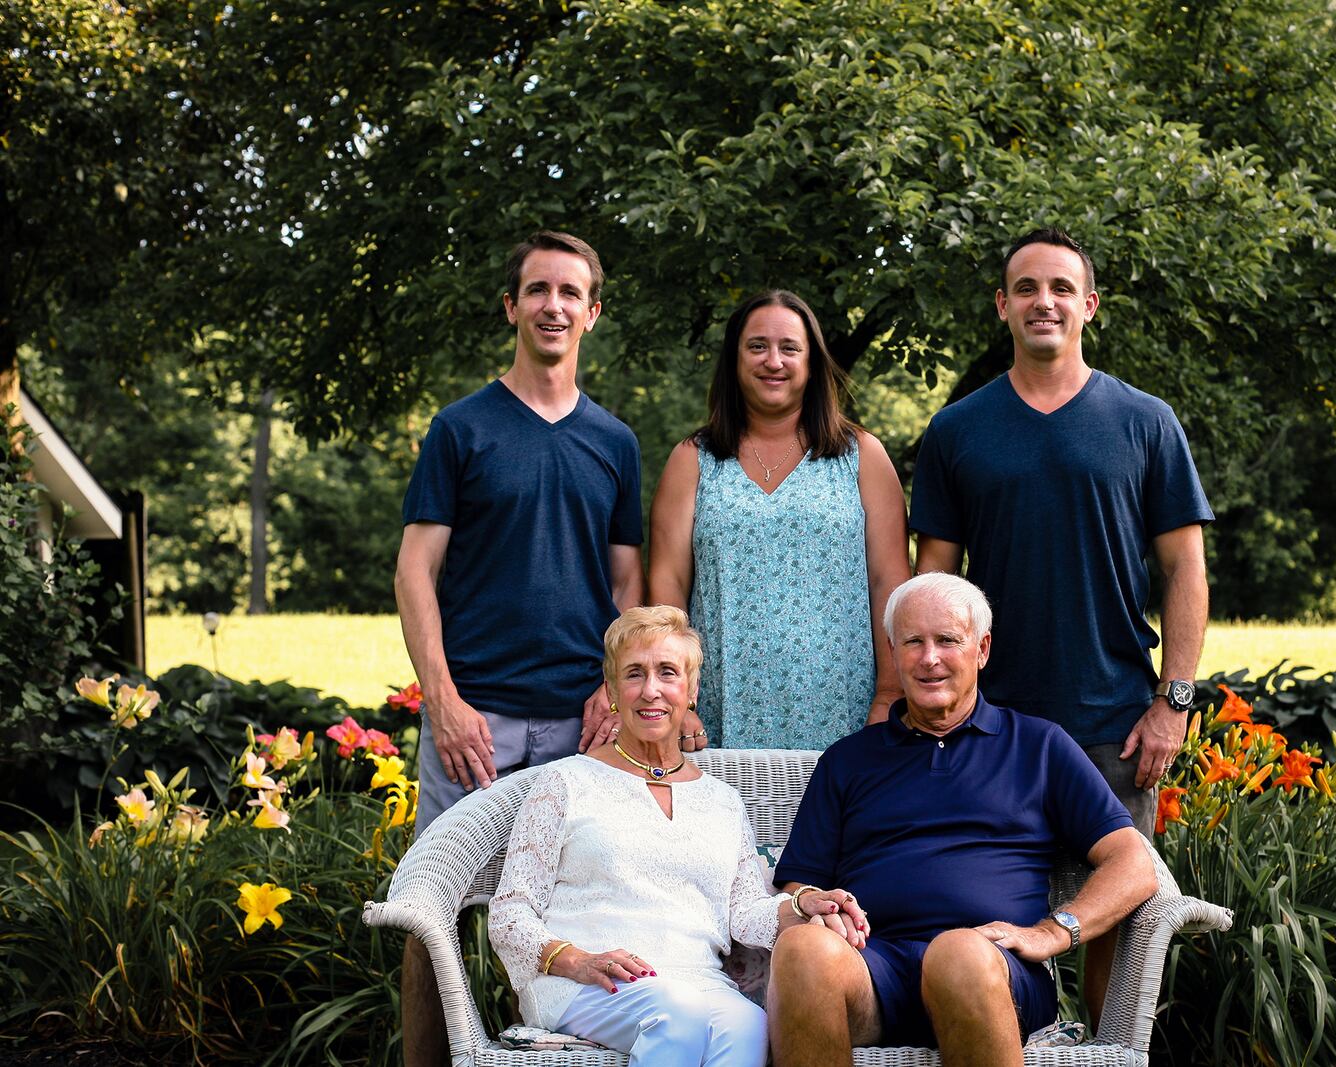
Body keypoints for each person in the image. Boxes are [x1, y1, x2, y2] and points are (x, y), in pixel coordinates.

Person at [909, 227, 1211, 1015]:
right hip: (986, 722)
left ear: (1089, 305)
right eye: (1028, 288)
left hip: (1112, 718)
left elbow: (1184, 569)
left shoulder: (1146, 421)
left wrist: (1174, 701)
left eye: (1062, 288)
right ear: (1003, 305)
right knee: (974, 911)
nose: (1045, 301)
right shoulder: (957, 430)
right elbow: (931, 582)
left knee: (1114, 913)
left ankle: (1104, 1056)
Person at [395, 231, 644, 1067]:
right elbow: (415, 569)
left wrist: (613, 688)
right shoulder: (461, 428)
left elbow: (626, 586)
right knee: (438, 907)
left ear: (593, 313)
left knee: (574, 911)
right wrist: (444, 697)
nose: (554, 306)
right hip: (479, 720)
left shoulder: (614, 441)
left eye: (571, 293)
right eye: (538, 290)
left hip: (581, 724)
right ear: (512, 306)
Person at [767, 573, 1157, 1067]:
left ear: (982, 649)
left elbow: (1132, 862)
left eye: (948, 640)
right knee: (802, 951)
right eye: (914, 642)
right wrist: (813, 905)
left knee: (957, 952)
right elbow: (799, 885)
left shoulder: (1039, 746)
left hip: (991, 969)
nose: (930, 658)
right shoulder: (848, 761)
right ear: (892, 651)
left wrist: (1054, 933)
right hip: (874, 969)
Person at [487, 606, 868, 1066]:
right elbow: (510, 913)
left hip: (698, 982)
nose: (652, 690)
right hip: (586, 984)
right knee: (679, 1015)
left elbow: (744, 916)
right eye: (634, 674)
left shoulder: (722, 801)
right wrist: (576, 960)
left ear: (691, 690)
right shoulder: (563, 783)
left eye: (668, 673)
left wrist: (802, 903)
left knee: (747, 1026)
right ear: (610, 690)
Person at [648, 289, 911, 750]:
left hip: (844, 708)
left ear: (812, 363)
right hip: (715, 713)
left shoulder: (861, 456)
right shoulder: (694, 460)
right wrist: (679, 703)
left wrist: (890, 695)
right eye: (757, 346)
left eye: (790, 348)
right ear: (734, 359)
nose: (774, 360)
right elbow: (668, 587)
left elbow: (888, 582)